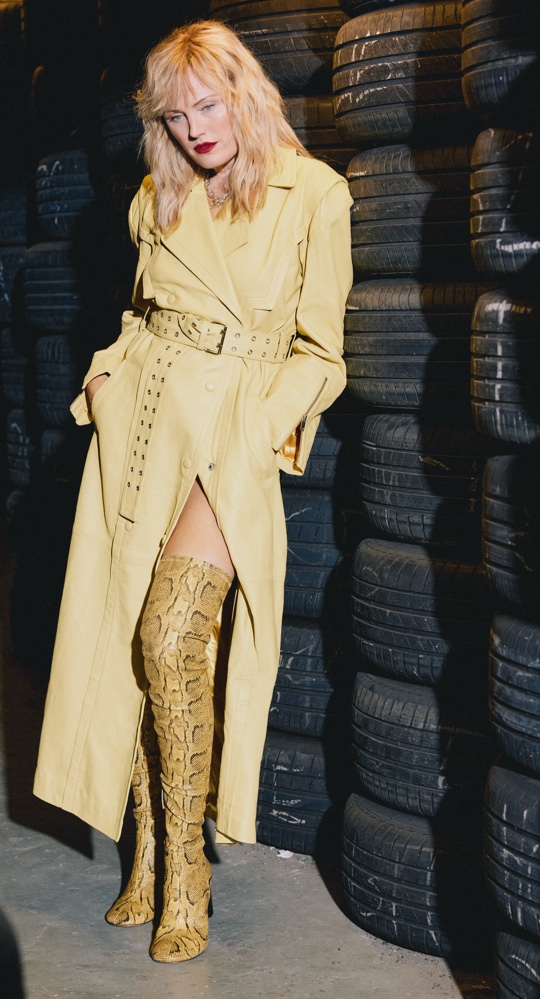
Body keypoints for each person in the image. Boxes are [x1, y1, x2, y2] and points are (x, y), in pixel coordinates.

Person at [32, 19, 353, 963]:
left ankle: (190, 867)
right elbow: (139, 312)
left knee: (173, 635)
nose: (196, 129)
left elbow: (322, 354)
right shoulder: (153, 199)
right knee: (126, 627)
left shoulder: (314, 194)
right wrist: (104, 371)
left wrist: (255, 434)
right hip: (142, 420)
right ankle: (142, 856)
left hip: (231, 433)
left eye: (209, 106)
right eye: (176, 116)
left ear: (245, 93)